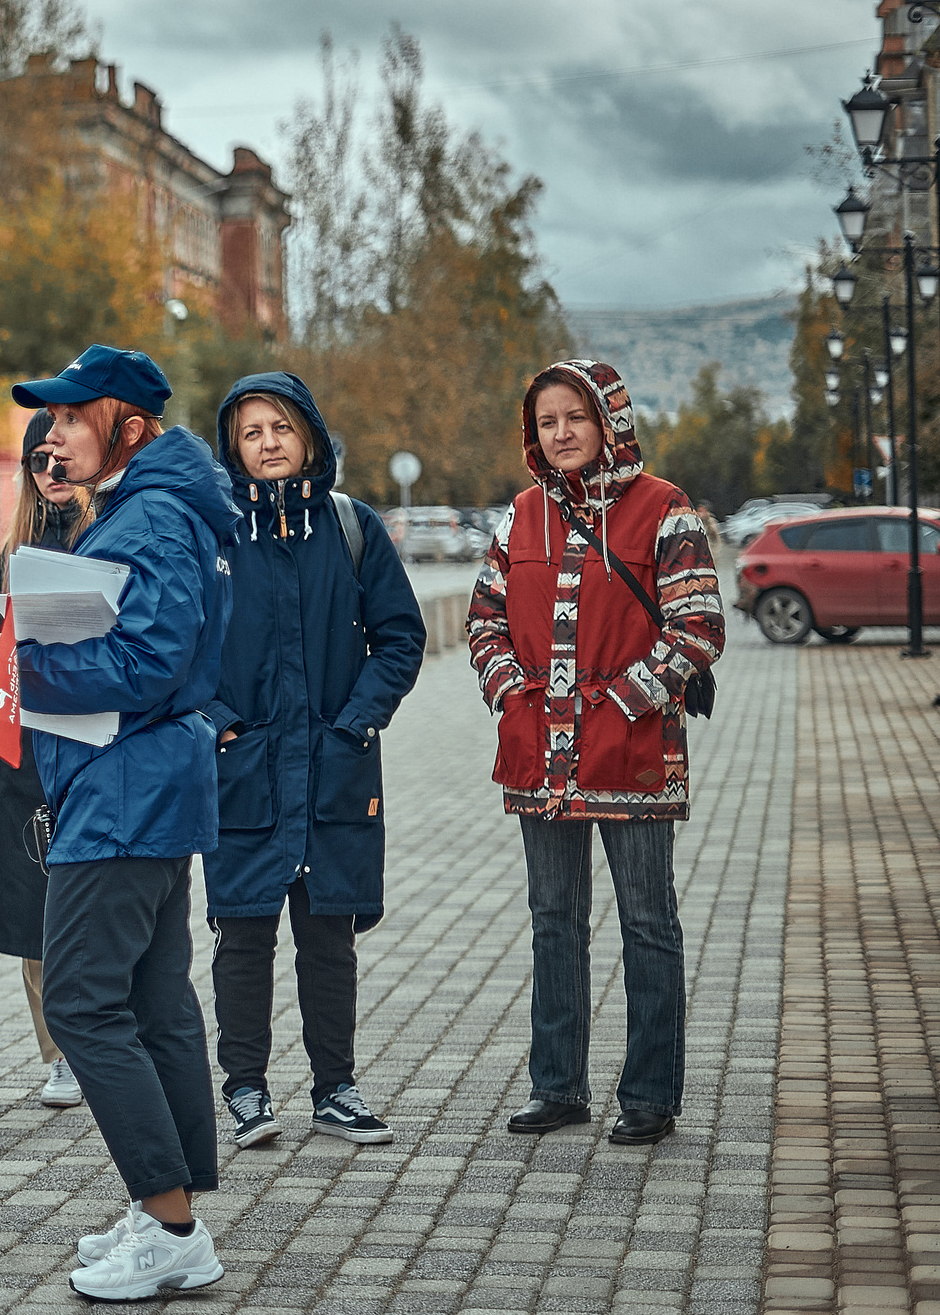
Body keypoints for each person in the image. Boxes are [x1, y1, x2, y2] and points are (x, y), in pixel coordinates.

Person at [10, 346, 237, 1303]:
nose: (54, 433)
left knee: (81, 1004)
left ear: (129, 428)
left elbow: (150, 660)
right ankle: (167, 1209)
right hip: (136, 785)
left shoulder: (149, 517)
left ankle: (174, 1223)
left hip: (125, 792)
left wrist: (33, 663)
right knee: (153, 1003)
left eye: (70, 416)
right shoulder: (144, 508)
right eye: (50, 419)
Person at [469, 358, 721, 1146]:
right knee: (554, 918)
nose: (562, 433)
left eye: (575, 417)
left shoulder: (665, 510)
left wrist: (619, 702)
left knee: (648, 921)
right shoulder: (518, 517)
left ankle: (650, 1093)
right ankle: (558, 1085)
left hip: (634, 753)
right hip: (538, 757)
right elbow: (485, 621)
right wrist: (512, 695)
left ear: (608, 419)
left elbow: (699, 627)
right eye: (547, 421)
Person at [203, 374, 425, 1148]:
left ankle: (336, 1087)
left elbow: (401, 636)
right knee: (243, 935)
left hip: (334, 767)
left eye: (281, 428)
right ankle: (245, 1089)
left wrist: (357, 723)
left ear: (310, 438)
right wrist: (221, 725)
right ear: (234, 445)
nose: (268, 442)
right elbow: (179, 645)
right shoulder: (215, 533)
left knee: (329, 936)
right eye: (252, 430)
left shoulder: (351, 526)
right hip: (245, 772)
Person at [0, 409, 85, 1108]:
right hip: (22, 752)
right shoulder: (17, 549)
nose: (51, 471)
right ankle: (59, 1053)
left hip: (93, 744)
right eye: (38, 461)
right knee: (34, 908)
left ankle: (107, 1037)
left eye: (60, 458)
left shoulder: (112, 533)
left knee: (91, 900)